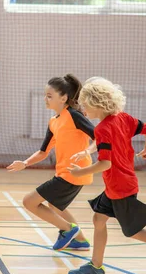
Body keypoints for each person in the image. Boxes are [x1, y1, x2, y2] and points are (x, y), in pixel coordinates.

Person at [67, 78, 146, 274]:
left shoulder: (102, 129)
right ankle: (96, 267)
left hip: (120, 187)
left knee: (133, 232)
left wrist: (79, 173)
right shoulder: (123, 118)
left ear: (96, 103)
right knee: (98, 219)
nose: (82, 109)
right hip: (117, 184)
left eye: (84, 104)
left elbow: (105, 164)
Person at [7, 74, 96, 250]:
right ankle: (80, 240)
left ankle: (67, 229)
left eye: (49, 96)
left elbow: (100, 136)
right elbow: (43, 152)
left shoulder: (74, 115)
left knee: (29, 201)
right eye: (45, 95)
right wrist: (25, 163)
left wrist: (87, 151)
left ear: (63, 98)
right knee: (56, 206)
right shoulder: (54, 121)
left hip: (75, 172)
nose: (45, 99)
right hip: (65, 173)